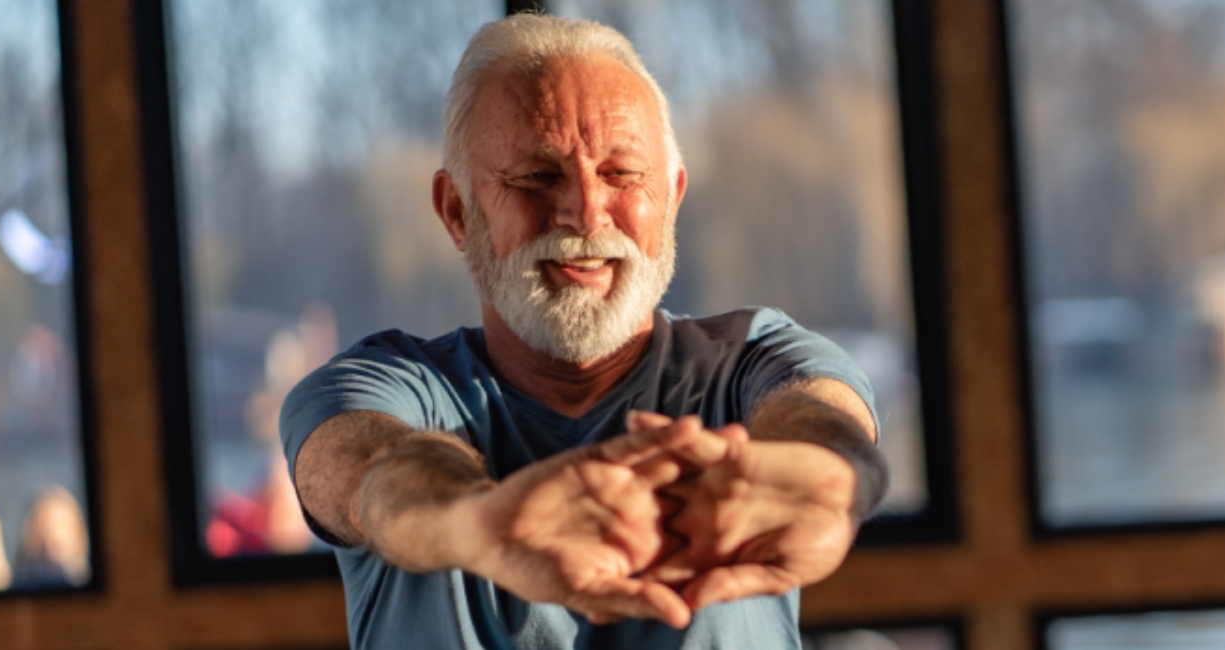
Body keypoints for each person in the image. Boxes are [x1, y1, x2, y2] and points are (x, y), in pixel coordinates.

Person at [281, 13, 888, 649]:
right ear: (457, 211)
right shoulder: (381, 386)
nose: (587, 211)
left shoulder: (753, 359)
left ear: (673, 198)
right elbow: (370, 472)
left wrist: (828, 482)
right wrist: (476, 521)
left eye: (623, 174)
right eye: (538, 177)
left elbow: (825, 419)